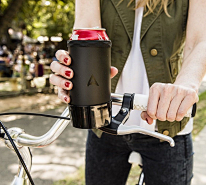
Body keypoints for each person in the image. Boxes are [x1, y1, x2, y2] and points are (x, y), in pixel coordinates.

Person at [49, 0, 206, 184]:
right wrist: (75, 72)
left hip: (166, 128)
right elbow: (87, 32)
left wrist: (185, 86)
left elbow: (199, 40)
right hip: (105, 124)